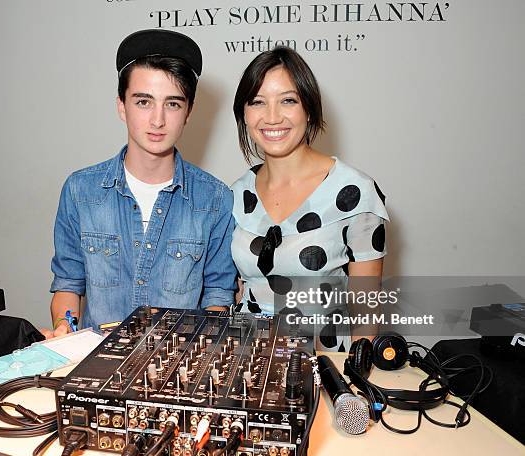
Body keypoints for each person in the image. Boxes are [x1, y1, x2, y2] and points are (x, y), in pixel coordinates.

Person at [43, 30, 237, 338]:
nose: (157, 120)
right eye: (144, 102)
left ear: (188, 112)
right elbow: (68, 282)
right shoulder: (80, 191)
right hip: (97, 365)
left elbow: (218, 292)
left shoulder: (216, 198)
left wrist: (207, 342)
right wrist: (66, 325)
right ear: (122, 106)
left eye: (172, 104)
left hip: (177, 370)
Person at [230, 47, 389, 351]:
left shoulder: (356, 192)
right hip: (248, 362)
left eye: (288, 100)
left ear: (309, 109)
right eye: (258, 102)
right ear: (245, 115)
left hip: (324, 364)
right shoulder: (237, 192)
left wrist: (352, 380)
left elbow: (366, 315)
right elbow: (241, 291)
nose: (272, 117)